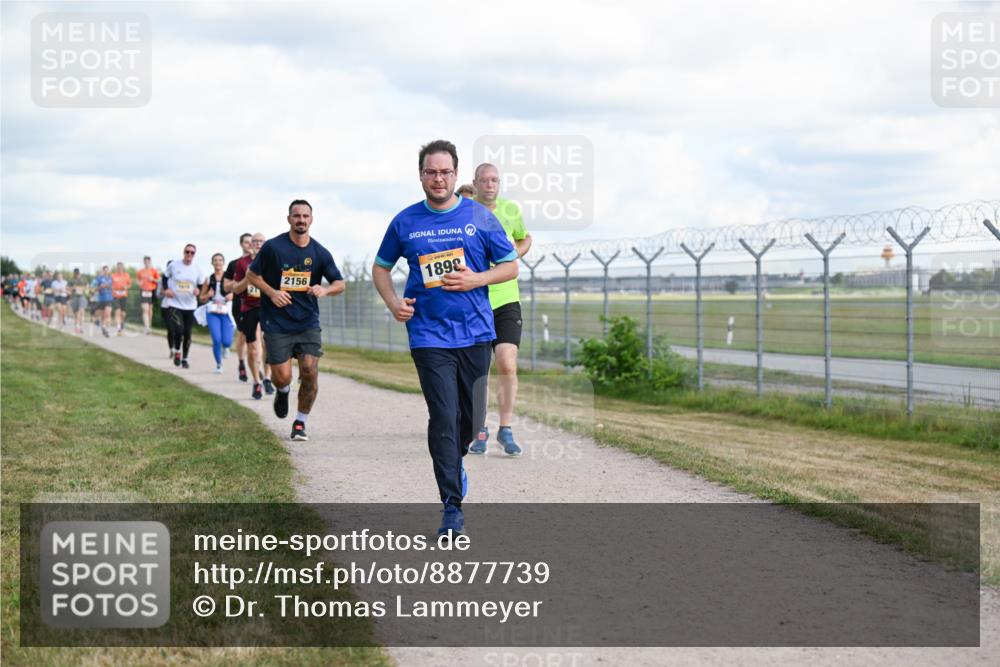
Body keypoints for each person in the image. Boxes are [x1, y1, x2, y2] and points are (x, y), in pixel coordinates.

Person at [372, 140, 518, 536]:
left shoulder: (480, 217)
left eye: (445, 172)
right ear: (421, 175)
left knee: (470, 425)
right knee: (443, 418)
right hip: (428, 335)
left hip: (474, 333)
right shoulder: (405, 222)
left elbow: (510, 266)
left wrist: (477, 278)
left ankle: (456, 462)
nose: (438, 178)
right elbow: (380, 268)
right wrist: (392, 303)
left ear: (456, 175)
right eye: (431, 172)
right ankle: (451, 505)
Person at [246, 201, 346, 441]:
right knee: (282, 376)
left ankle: (300, 423)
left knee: (310, 371)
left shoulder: (320, 252)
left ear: (311, 220)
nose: (301, 220)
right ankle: (282, 390)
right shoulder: (273, 247)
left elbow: (340, 283)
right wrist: (272, 292)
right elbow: (252, 274)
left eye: (305, 216)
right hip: (277, 322)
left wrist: (324, 290)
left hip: (307, 322)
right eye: (296, 216)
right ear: (289, 219)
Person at [469, 163, 533, 457]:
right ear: (475, 183)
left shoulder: (510, 210)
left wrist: (512, 254)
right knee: (479, 369)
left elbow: (525, 237)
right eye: (485, 180)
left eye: (495, 180)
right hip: (475, 299)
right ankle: (478, 428)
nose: (490, 185)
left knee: (507, 363)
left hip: (506, 298)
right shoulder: (463, 213)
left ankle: (505, 429)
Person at [231, 233, 268, 400]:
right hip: (249, 308)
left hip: (268, 308)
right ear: (250, 244)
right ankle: (257, 382)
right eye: (255, 241)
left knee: (269, 345)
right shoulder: (242, 263)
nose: (258, 244)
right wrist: (248, 278)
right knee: (252, 349)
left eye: (261, 241)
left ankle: (267, 377)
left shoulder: (271, 260)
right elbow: (236, 290)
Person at [161, 244, 204, 368]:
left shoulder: (197, 268)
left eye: (192, 253)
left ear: (194, 255)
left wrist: (198, 290)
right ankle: (177, 351)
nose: (189, 254)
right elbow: (165, 277)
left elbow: (200, 284)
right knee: (179, 330)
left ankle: (185, 359)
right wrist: (166, 289)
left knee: (188, 333)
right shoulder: (174, 265)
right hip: (175, 303)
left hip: (190, 306)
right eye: (187, 252)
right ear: (183, 252)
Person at [200, 253, 235, 374]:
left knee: (227, 341)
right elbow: (202, 298)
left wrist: (233, 295)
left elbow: (239, 291)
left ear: (223, 263)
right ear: (212, 263)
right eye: (215, 260)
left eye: (220, 260)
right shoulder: (208, 279)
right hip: (213, 311)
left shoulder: (230, 278)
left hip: (226, 311)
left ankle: (226, 347)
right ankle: (219, 364)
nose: (218, 262)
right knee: (216, 339)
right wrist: (207, 295)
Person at [225, 233, 253, 382]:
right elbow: (226, 285)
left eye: (252, 242)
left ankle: (257, 365)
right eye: (246, 242)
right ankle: (242, 363)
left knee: (258, 338)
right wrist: (242, 281)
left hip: (258, 304)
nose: (249, 245)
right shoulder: (234, 264)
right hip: (241, 304)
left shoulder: (262, 262)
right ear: (241, 244)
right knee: (243, 335)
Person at [136, 256, 161, 335]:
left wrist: (153, 279)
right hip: (143, 291)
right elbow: (137, 281)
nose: (146, 263)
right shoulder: (140, 272)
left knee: (150, 310)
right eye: (145, 261)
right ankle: (147, 328)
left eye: (148, 261)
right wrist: (139, 283)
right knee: (145, 309)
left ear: (150, 262)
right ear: (144, 262)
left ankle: (149, 326)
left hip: (152, 291)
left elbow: (159, 281)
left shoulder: (154, 271)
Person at [90, 266, 114, 337]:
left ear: (109, 271)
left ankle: (106, 329)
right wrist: (99, 287)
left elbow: (111, 285)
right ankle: (101, 325)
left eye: (107, 270)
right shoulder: (99, 279)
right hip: (101, 299)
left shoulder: (110, 278)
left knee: (108, 313)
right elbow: (93, 288)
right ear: (103, 271)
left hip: (109, 298)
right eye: (105, 270)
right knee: (101, 314)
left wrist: (107, 286)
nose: (106, 271)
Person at [111, 262, 132, 335]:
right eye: (118, 267)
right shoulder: (113, 275)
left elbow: (129, 284)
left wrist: (126, 287)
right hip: (115, 296)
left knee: (123, 314)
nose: (119, 268)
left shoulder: (126, 275)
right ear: (116, 268)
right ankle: (119, 328)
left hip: (124, 295)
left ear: (123, 268)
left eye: (121, 267)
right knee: (117, 311)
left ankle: (122, 323)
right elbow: (110, 284)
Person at [69, 268, 88, 334]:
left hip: (82, 297)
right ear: (74, 273)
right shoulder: (71, 280)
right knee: (76, 314)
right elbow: (67, 288)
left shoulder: (83, 280)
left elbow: (87, 286)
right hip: (74, 297)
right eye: (75, 274)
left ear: (79, 273)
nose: (77, 275)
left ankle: (81, 327)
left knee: (81, 311)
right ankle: (77, 327)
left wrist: (85, 288)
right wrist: (72, 288)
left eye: (78, 274)